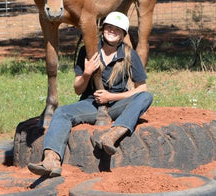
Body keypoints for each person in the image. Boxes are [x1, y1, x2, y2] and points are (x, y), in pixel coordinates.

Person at [28, 11, 153, 177]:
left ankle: (112, 135)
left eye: (117, 29)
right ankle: (51, 159)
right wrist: (86, 73)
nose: (112, 31)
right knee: (62, 112)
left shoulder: (129, 54)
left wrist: (112, 97)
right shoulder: (87, 52)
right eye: (109, 27)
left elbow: (142, 88)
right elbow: (78, 89)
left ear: (123, 34)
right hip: (91, 104)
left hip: (116, 105)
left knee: (146, 97)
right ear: (103, 29)